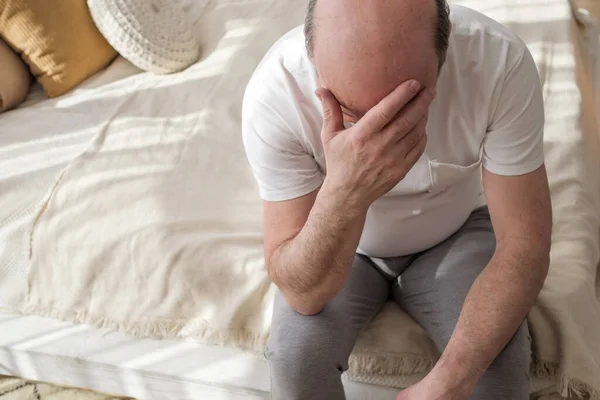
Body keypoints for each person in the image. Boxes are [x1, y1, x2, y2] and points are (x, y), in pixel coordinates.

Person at [241, 0, 552, 398]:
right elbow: (302, 293)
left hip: (455, 233)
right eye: (353, 111)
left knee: (500, 369)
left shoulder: (499, 61)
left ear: (447, 46)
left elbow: (525, 242)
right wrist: (345, 190)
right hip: (339, 245)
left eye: (403, 107)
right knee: (295, 360)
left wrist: (449, 380)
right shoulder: (276, 92)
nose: (379, 134)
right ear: (311, 51)